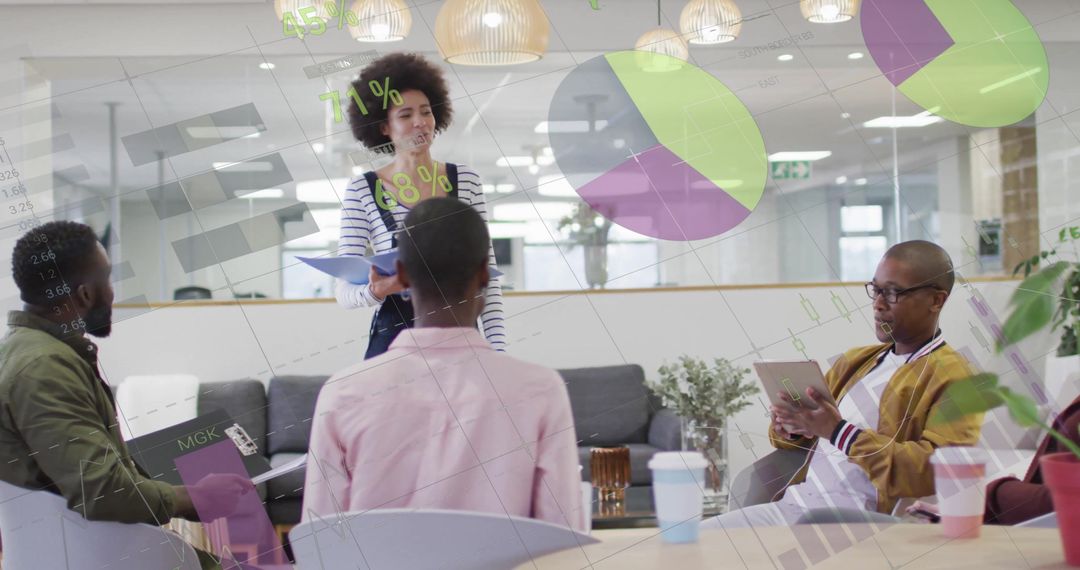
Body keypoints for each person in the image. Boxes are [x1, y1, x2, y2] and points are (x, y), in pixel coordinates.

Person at [303, 198, 585, 531]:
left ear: (403, 275)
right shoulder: (540, 389)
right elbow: (564, 533)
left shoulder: (343, 393)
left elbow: (321, 540)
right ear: (484, 274)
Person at [0, 221, 247, 570]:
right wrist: (195, 497)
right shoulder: (44, 368)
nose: (113, 292)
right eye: (108, 279)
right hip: (94, 554)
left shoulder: (29, 352)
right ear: (85, 294)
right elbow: (102, 491)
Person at [707, 240, 984, 528]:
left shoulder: (957, 377)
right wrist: (793, 426)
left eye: (892, 293)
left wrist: (837, 431)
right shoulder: (856, 362)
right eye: (876, 290)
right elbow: (806, 438)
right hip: (792, 505)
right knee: (691, 547)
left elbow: (938, 471)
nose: (877, 304)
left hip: (854, 523)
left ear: (936, 300)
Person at [334, 52, 505, 359]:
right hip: (392, 343)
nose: (420, 123)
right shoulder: (362, 190)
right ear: (383, 127)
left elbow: (486, 280)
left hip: (460, 337)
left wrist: (498, 352)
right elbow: (344, 292)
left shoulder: (465, 180)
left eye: (426, 112)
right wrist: (376, 291)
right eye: (405, 115)